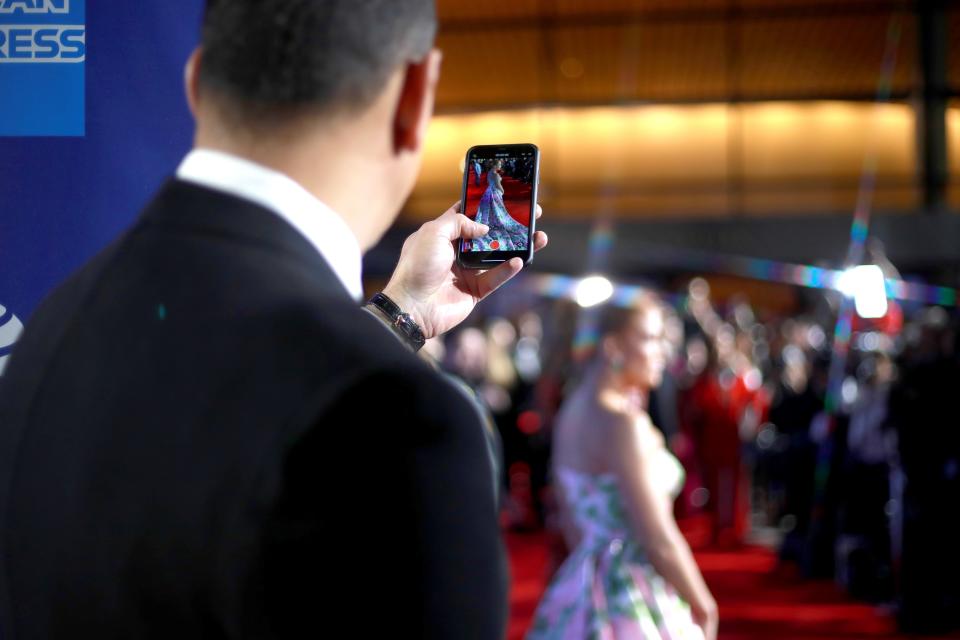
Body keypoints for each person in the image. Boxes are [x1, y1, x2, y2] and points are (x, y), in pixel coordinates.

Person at [0, 1, 547, 638]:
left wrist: (403, 316)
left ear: (197, 82)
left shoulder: (57, 323)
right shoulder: (403, 420)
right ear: (414, 98)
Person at [528, 297, 717, 640]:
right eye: (650, 338)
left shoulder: (572, 410)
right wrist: (704, 604)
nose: (663, 352)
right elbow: (657, 537)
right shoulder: (620, 423)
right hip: (631, 592)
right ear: (613, 346)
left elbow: (570, 522)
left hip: (582, 585)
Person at [473, 159, 529, 252]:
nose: (500, 166)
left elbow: (488, 182)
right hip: (495, 192)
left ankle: (490, 220)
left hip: (488, 191)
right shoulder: (495, 174)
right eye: (499, 164)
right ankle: (496, 220)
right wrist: (502, 191)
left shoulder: (490, 172)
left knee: (491, 208)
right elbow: (499, 185)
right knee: (498, 209)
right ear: (495, 165)